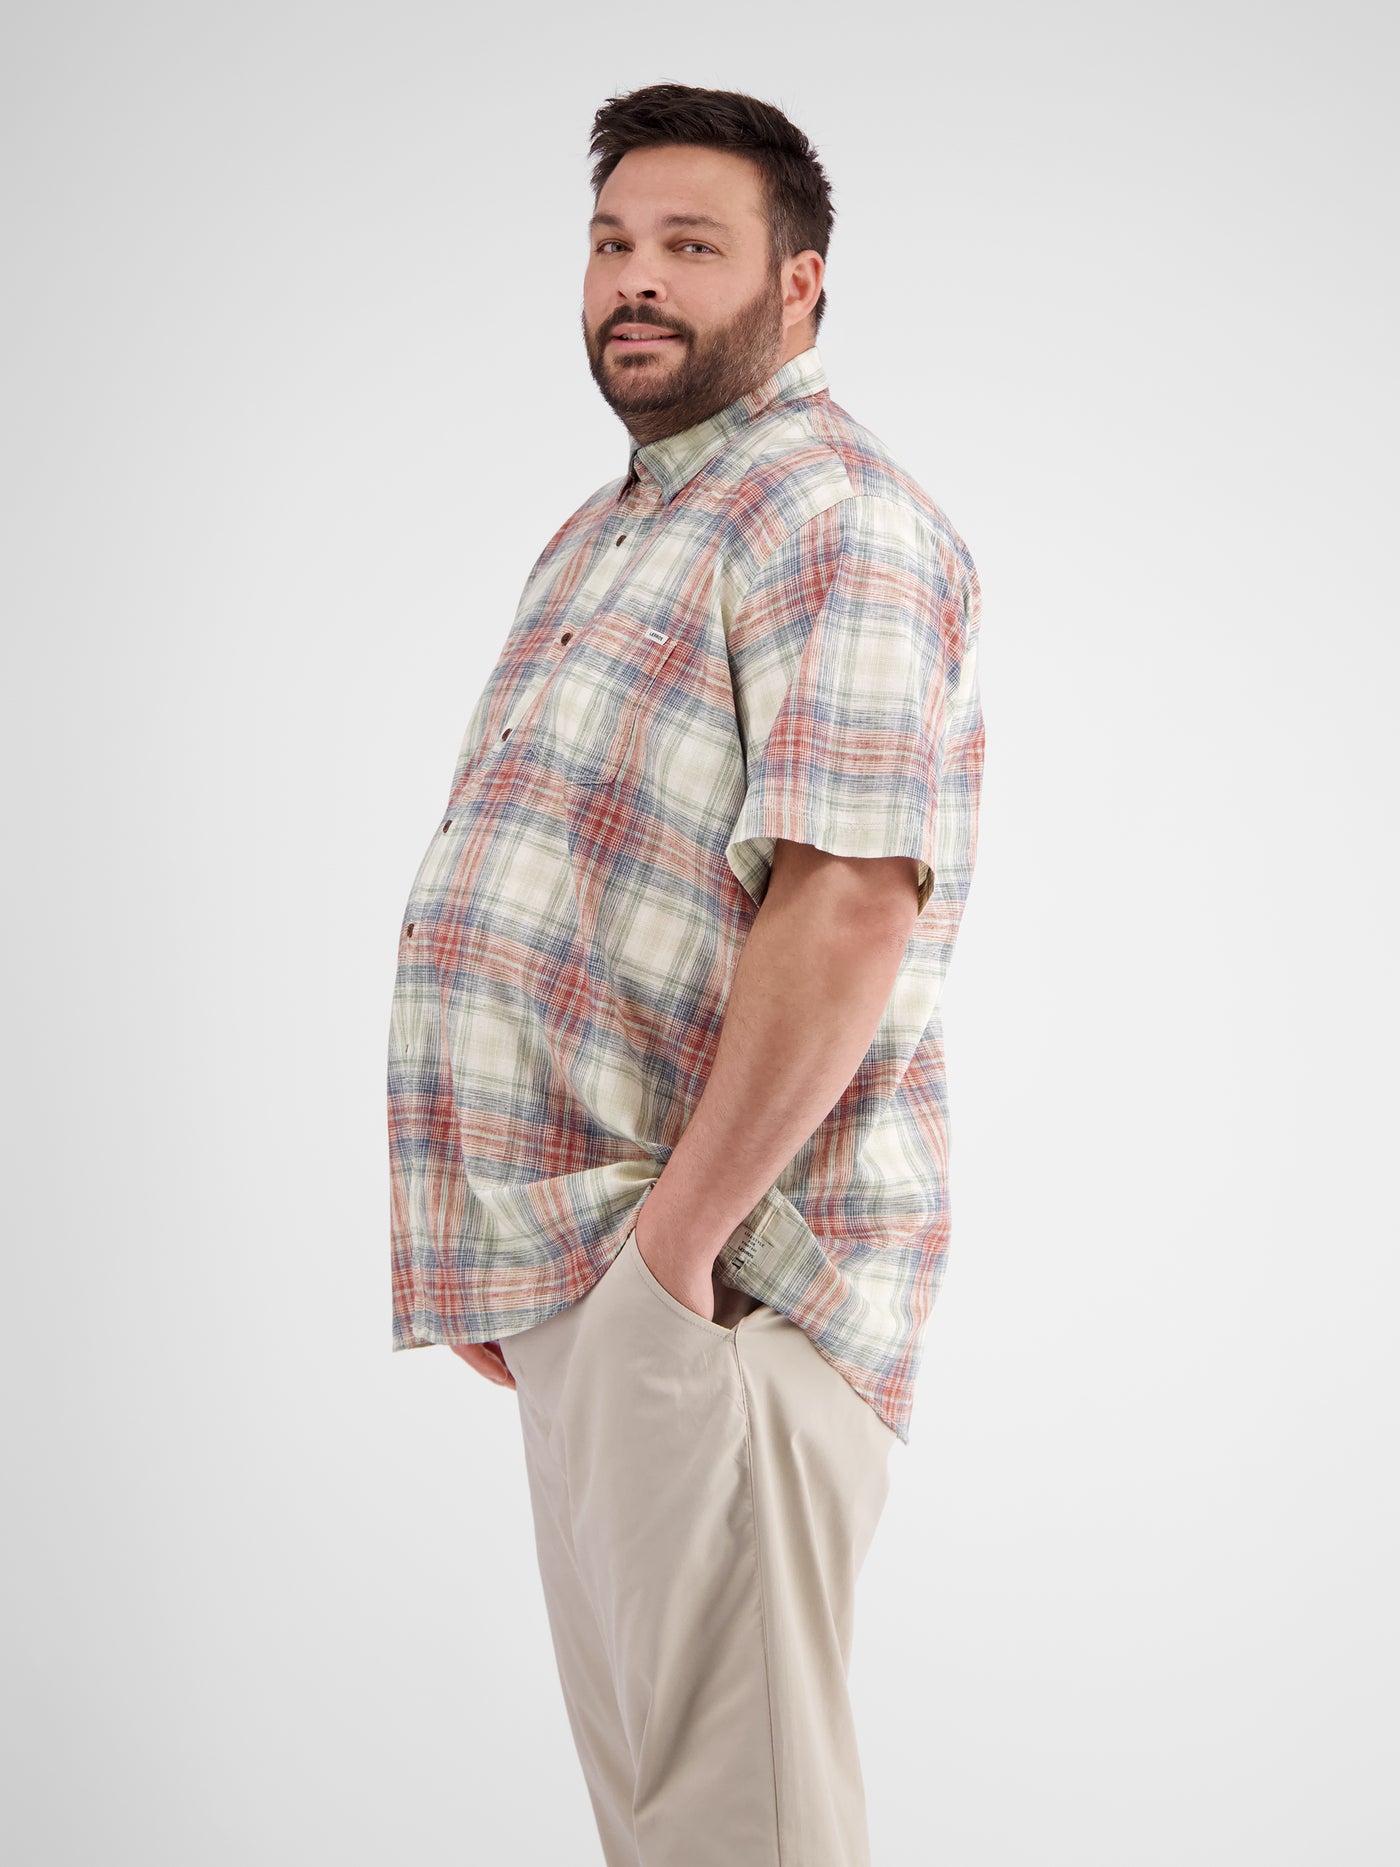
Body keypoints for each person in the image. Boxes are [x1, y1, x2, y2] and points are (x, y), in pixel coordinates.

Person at [387, 80, 985, 1867]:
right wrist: (532, 1258)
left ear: (800, 285)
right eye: (612, 244)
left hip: (724, 1291)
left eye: (691, 247)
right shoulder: (616, 530)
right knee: (671, 1832)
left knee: (738, 1836)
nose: (635, 282)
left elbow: (847, 905)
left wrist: (669, 1258)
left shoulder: (831, 513)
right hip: (609, 1274)